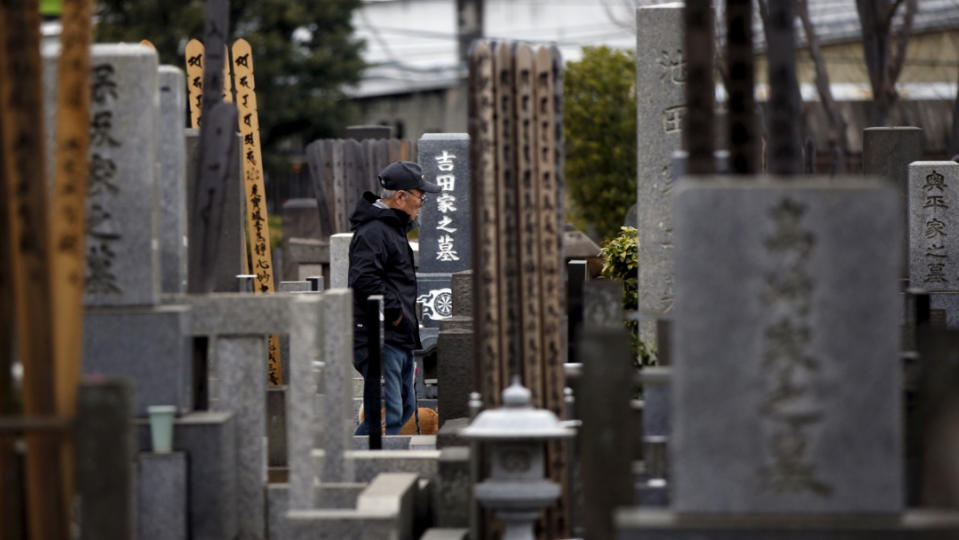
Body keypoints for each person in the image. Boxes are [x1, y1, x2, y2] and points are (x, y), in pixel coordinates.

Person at [349, 160, 440, 435]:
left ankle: (367, 461)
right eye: (419, 197)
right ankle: (363, 467)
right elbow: (363, 279)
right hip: (381, 336)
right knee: (388, 414)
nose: (421, 204)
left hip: (395, 335)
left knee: (403, 406)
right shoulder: (374, 230)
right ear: (401, 196)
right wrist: (395, 313)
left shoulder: (389, 228)